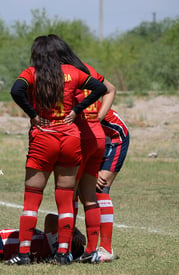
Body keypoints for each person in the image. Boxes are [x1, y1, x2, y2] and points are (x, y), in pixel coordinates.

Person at [5, 35, 108, 266]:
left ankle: (23, 254)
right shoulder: (72, 72)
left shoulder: (32, 73)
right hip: (70, 137)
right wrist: (77, 110)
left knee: (31, 200)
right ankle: (64, 253)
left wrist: (33, 115)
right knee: (65, 199)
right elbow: (100, 87)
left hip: (44, 137)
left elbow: (15, 91)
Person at [45, 34, 116, 263]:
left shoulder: (63, 74)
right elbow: (110, 89)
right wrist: (98, 118)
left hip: (81, 138)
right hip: (98, 136)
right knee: (89, 196)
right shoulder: (87, 68)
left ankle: (64, 250)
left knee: (69, 195)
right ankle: (92, 251)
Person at [96, 108, 130, 262]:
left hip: (115, 136)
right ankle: (67, 246)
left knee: (100, 189)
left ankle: (106, 249)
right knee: (77, 188)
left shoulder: (76, 92)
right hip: (95, 135)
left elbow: (111, 89)